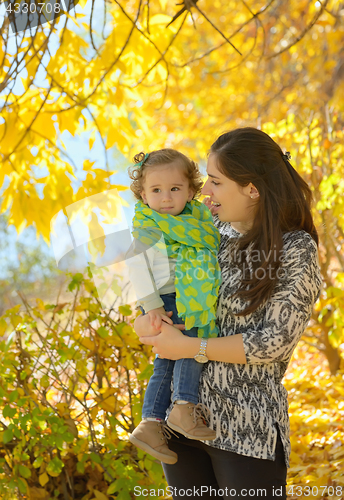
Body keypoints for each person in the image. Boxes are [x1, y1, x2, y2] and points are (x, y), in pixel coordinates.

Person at [134, 128, 322, 500]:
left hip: (245, 428)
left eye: (216, 182)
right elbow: (161, 282)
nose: (205, 191)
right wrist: (145, 315)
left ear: (252, 188)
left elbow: (272, 343)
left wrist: (190, 347)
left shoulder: (294, 249)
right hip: (180, 422)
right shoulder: (206, 228)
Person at [126, 149, 221, 465]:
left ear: (191, 191)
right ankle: (183, 406)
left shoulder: (197, 220)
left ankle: (150, 424)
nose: (165, 198)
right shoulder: (148, 225)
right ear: (143, 194)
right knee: (191, 345)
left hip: (182, 296)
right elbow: (138, 267)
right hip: (168, 301)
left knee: (165, 362)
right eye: (156, 190)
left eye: (175, 189)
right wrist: (151, 308)